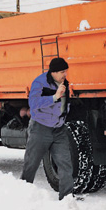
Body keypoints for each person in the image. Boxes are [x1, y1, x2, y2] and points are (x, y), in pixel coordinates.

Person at [21, 57, 74, 200]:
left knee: (65, 163)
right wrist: (54, 97)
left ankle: (67, 198)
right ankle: (23, 196)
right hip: (40, 128)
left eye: (66, 71)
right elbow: (33, 103)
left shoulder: (65, 83)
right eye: (62, 72)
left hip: (59, 129)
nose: (65, 74)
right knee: (31, 163)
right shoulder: (39, 82)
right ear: (54, 72)